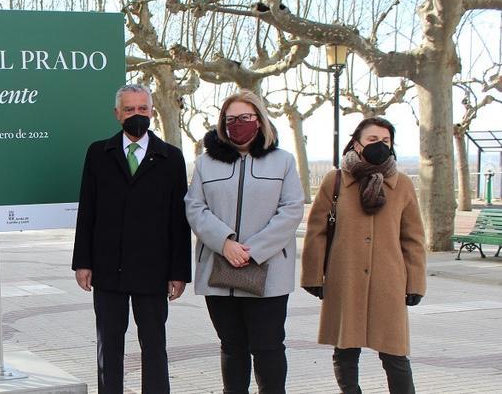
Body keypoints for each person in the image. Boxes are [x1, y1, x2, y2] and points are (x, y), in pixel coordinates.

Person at [71, 84, 191, 393]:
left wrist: (179, 272)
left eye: (142, 109)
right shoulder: (98, 153)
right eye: (129, 109)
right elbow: (88, 210)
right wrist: (82, 262)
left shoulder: (171, 158)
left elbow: (179, 221)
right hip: (108, 267)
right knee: (109, 346)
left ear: (151, 111)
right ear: (117, 114)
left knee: (154, 345)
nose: (136, 115)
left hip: (154, 270)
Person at [185, 90, 304, 394]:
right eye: (231, 119)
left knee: (268, 347)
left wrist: (255, 250)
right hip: (219, 269)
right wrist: (225, 242)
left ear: (260, 121)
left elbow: (291, 210)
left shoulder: (283, 161)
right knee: (232, 346)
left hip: (269, 272)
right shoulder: (205, 164)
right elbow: (195, 207)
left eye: (246, 118)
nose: (238, 124)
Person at [301, 117, 426, 394]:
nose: (379, 145)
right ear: (357, 144)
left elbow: (413, 239)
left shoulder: (402, 184)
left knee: (395, 355)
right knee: (345, 351)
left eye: (385, 141)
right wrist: (313, 276)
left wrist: (415, 282)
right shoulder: (335, 180)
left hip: (388, 281)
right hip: (345, 278)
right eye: (372, 140)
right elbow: (317, 231)